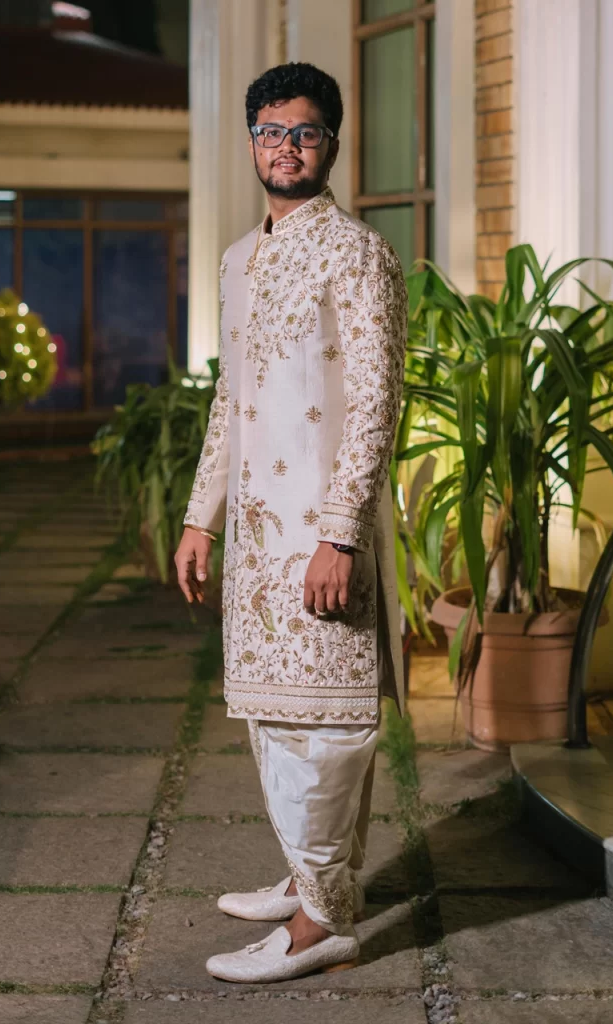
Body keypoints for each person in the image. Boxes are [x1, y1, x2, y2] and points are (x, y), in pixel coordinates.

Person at [174, 61, 407, 984]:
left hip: (319, 536)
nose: (286, 147)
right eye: (271, 132)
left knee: (325, 732)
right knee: (275, 716)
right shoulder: (239, 258)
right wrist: (200, 519)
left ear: (331, 144)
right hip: (255, 541)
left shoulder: (358, 254)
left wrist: (339, 534)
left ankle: (321, 923)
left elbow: (377, 403)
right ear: (251, 144)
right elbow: (229, 400)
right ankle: (313, 879)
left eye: (303, 132)